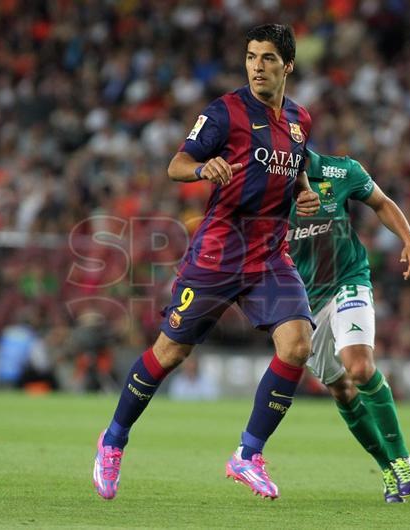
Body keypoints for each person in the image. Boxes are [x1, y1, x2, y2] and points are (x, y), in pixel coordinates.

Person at [93, 24, 320, 500]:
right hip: (218, 254)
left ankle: (248, 454)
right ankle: (112, 442)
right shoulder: (225, 112)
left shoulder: (301, 120)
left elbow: (295, 167)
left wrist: (305, 195)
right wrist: (202, 168)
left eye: (268, 59)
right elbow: (175, 164)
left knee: (298, 344)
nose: (257, 66)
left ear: (288, 66)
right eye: (251, 56)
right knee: (170, 353)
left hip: (269, 257)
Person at [287, 149, 410, 503]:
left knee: (359, 367)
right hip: (305, 301)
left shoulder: (339, 170)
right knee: (342, 391)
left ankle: (401, 458)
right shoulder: (266, 185)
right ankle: (386, 467)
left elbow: (380, 203)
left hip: (349, 279)